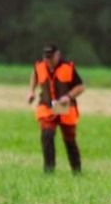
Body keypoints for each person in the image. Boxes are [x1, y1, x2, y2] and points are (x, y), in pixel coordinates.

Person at [27, 44, 86, 174]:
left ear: (58, 55)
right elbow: (34, 74)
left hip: (64, 106)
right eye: (46, 58)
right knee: (47, 136)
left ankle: (77, 171)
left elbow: (80, 87)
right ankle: (49, 171)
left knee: (69, 140)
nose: (48, 61)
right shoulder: (40, 66)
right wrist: (31, 91)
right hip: (47, 106)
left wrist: (69, 96)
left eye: (51, 57)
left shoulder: (68, 67)